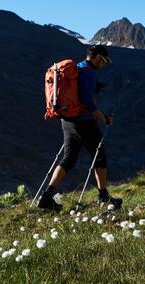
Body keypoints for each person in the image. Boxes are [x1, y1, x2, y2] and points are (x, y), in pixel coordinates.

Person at [38, 45, 122, 211]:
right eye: (104, 61)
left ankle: (47, 195)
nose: (104, 65)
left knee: (68, 159)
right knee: (100, 156)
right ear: (98, 57)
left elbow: (76, 94)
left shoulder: (78, 68)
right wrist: (105, 119)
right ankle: (103, 196)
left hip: (67, 120)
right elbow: (87, 103)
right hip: (83, 122)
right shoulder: (89, 73)